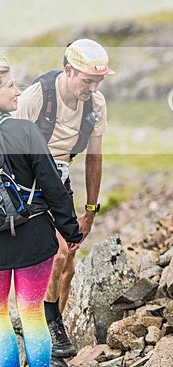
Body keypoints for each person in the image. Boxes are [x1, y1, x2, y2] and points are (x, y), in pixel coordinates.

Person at [14, 39, 112, 359]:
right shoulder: (36, 97)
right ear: (68, 71)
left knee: (67, 267)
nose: (93, 87)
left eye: (98, 81)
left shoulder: (96, 105)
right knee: (56, 256)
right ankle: (48, 329)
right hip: (27, 183)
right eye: (87, 80)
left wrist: (91, 210)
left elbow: (94, 157)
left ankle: (53, 339)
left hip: (60, 182)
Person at [0, 55, 83, 367]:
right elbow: (52, 184)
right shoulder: (24, 130)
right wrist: (71, 230)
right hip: (33, 236)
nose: (19, 92)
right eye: (10, 86)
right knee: (32, 313)